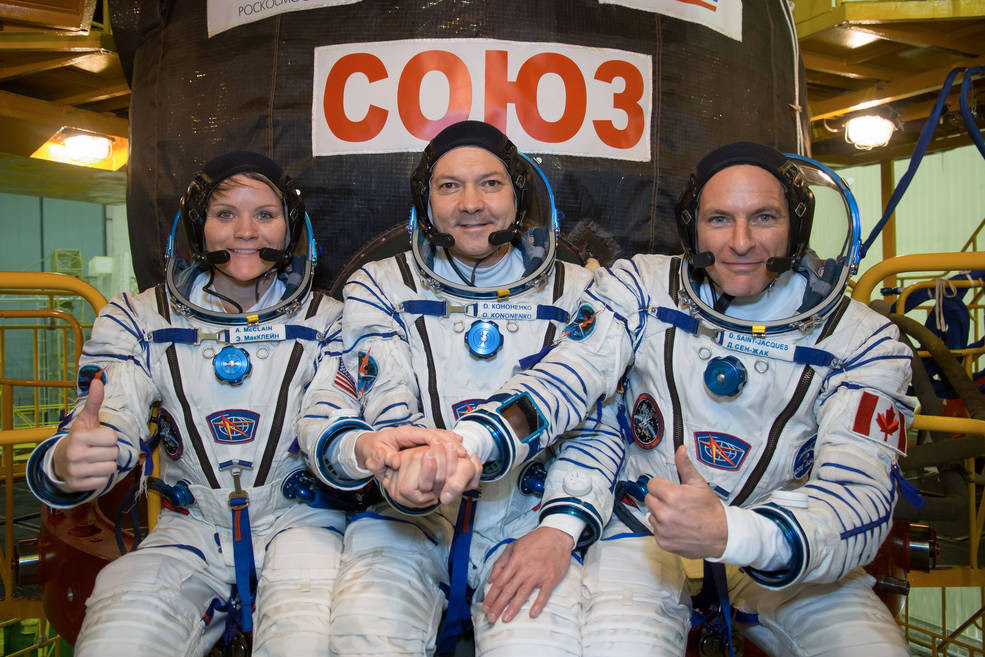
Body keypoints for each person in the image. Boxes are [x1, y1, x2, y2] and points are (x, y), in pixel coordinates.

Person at [434, 142, 914, 656]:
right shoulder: (642, 290)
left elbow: (860, 501)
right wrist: (468, 443)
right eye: (719, 219)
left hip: (780, 539)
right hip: (641, 531)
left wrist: (735, 533)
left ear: (797, 226)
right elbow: (564, 380)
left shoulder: (864, 342)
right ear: (693, 229)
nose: (742, 242)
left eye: (764, 217)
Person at [296, 120, 613, 656]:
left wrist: (560, 529)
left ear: (518, 196)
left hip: (529, 518)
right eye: (449, 186)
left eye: (490, 184)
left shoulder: (579, 291)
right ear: (426, 203)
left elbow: (601, 419)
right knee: (365, 638)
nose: (470, 204)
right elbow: (365, 387)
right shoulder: (379, 286)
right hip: (406, 517)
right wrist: (398, 463)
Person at [26, 152, 356, 657]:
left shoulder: (329, 321)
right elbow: (111, 413)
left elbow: (334, 417)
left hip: (300, 522)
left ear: (291, 230)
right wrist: (71, 460)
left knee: (307, 641)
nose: (245, 231)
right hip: (189, 528)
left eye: (265, 215)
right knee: (118, 638)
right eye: (225, 214)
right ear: (197, 227)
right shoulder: (140, 318)